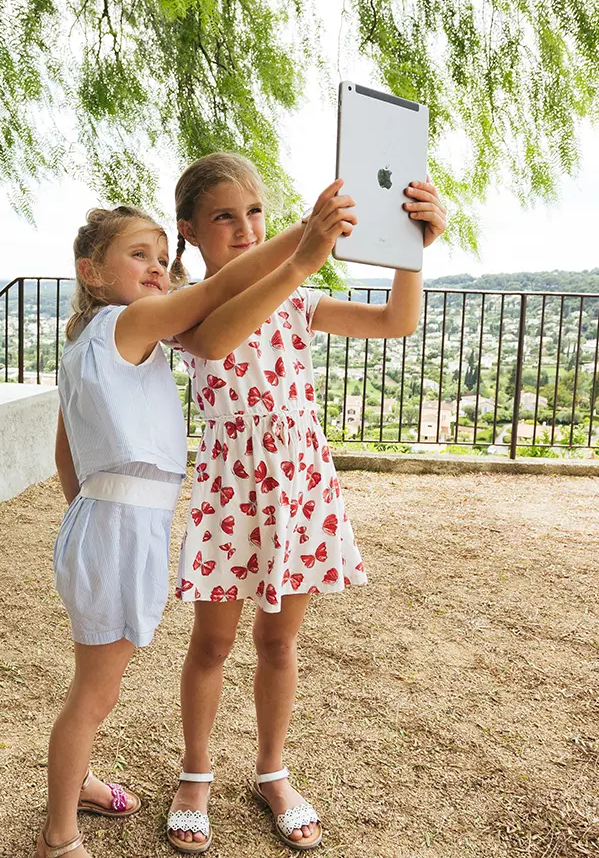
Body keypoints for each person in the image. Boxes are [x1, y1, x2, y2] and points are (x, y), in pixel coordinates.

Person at [38, 188, 355, 858]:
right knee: (95, 692)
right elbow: (217, 294)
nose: (158, 267)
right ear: (90, 272)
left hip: (113, 520)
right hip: (120, 524)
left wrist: (89, 513)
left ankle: (79, 782)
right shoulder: (130, 326)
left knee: (101, 683)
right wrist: (305, 241)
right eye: (139, 256)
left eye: (162, 256)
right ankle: (59, 838)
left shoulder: (103, 339)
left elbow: (67, 446)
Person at [164, 152, 446, 852]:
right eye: (224, 216)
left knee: (280, 642)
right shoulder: (181, 304)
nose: (243, 227)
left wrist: (411, 249)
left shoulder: (296, 300)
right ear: (190, 231)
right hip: (233, 488)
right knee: (214, 642)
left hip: (298, 485)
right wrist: (300, 251)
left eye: (254, 211)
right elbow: (220, 339)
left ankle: (272, 773)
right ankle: (194, 776)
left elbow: (396, 323)